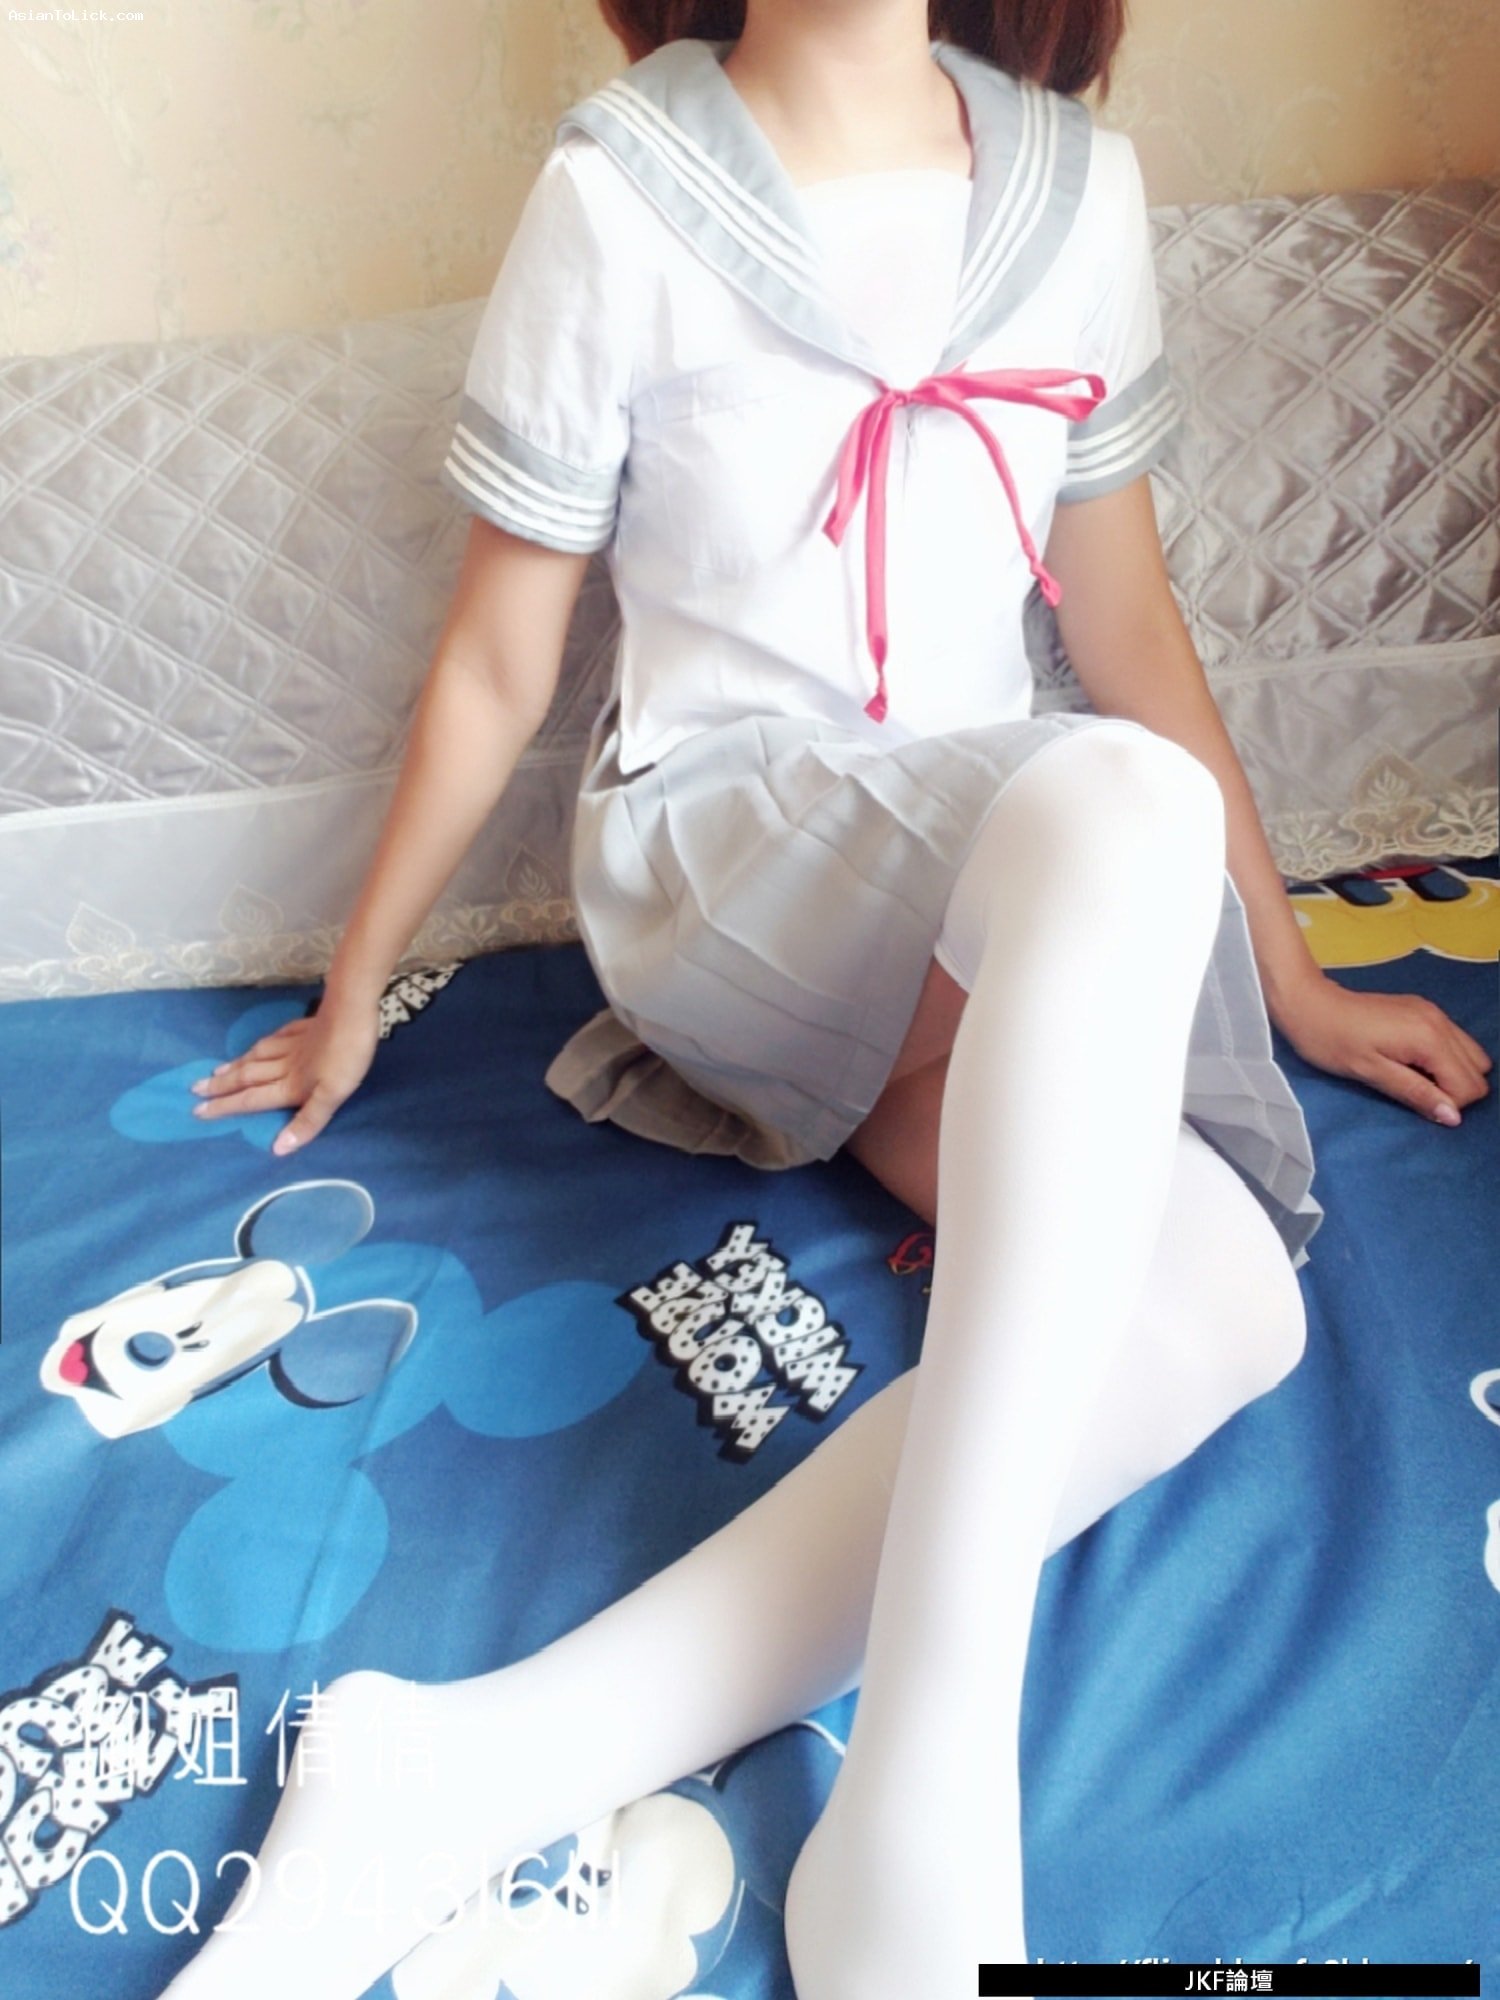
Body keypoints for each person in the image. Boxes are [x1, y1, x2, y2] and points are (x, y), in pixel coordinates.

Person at [166, 4, 1492, 1996]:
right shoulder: (623, 195)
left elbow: (1125, 625)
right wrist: (356, 989)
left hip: (994, 904)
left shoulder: (1076, 193)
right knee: (1115, 804)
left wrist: (1288, 976)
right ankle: (929, 1811)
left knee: (1229, 1299)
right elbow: (501, 660)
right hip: (727, 876)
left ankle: (460, 1769)